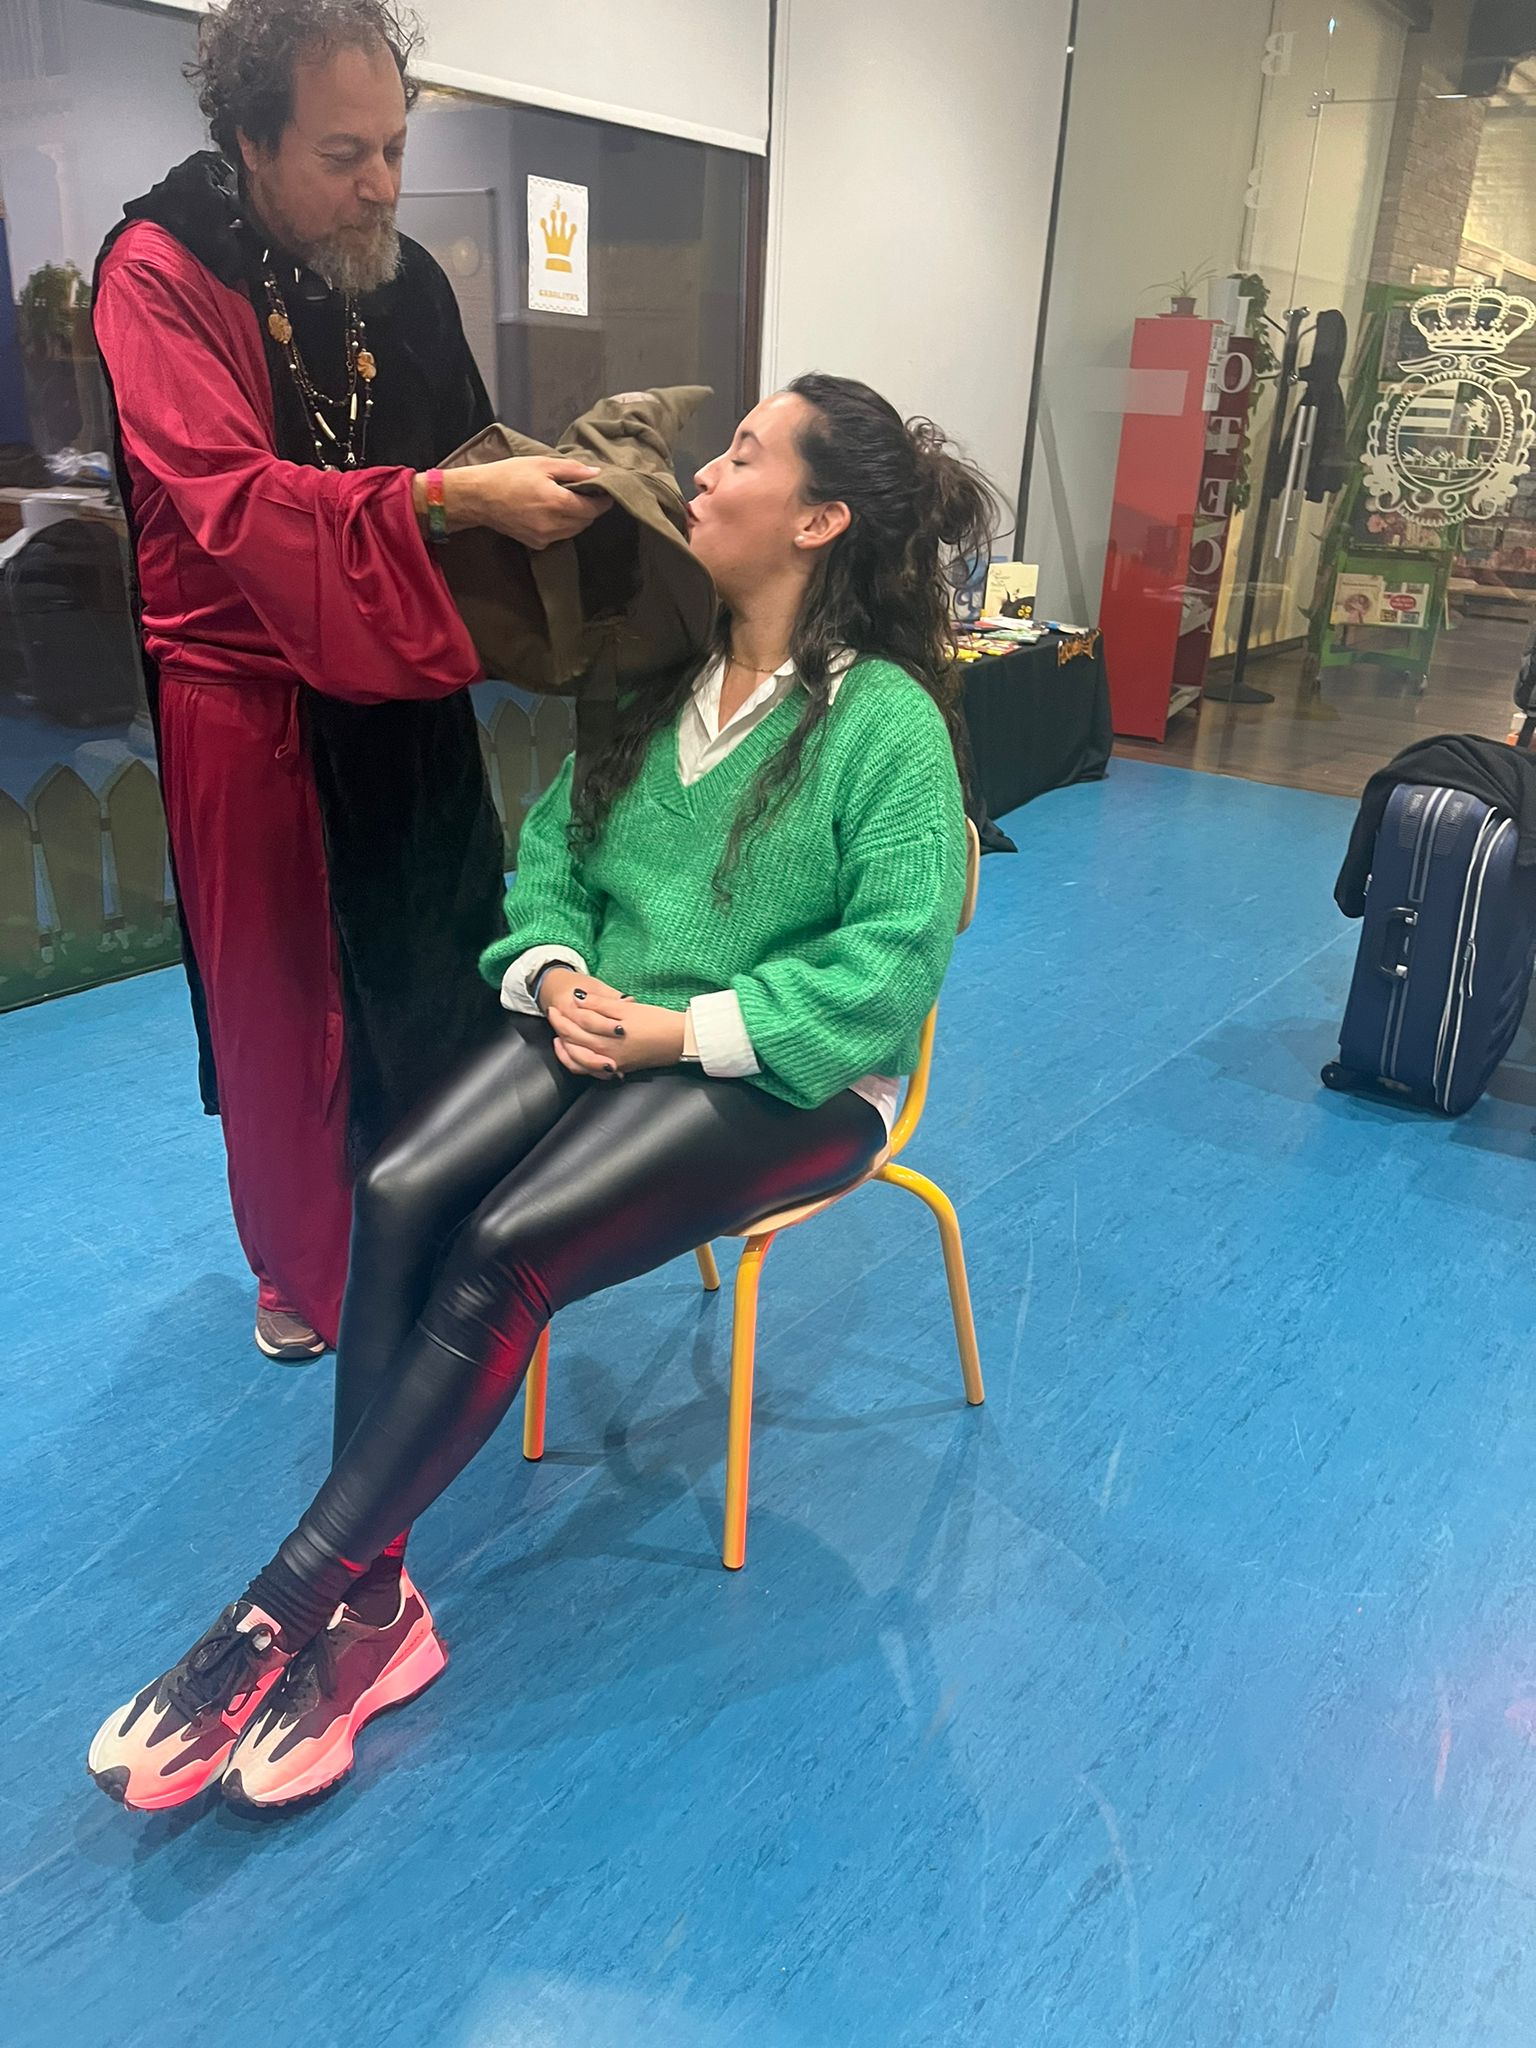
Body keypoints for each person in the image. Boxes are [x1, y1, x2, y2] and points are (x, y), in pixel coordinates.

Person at [87, 374, 996, 1815]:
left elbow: (889, 974)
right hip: (608, 1021)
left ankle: (281, 1607)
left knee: (506, 1247)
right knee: (398, 1186)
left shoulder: (886, 724)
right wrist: (557, 969)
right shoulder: (655, 675)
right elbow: (554, 863)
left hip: (797, 1071)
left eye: (741, 457)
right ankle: (375, 1610)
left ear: (819, 521)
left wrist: (676, 1030)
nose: (702, 478)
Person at [92, 0, 611, 1362]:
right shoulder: (160, 273)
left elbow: (471, 459)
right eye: (342, 154)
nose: (381, 184)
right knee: (292, 1008)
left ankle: (448, 1232)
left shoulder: (406, 278)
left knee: (442, 960)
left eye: (393, 147)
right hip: (255, 706)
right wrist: (446, 501)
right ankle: (308, 1268)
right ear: (251, 140)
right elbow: (234, 502)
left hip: (401, 677)